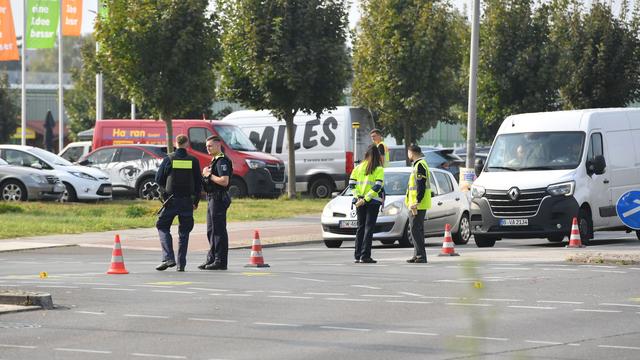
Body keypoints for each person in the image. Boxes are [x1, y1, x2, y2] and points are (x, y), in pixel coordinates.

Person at [155, 134, 201, 272]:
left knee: (162, 225)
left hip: (171, 201)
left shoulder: (168, 159)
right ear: (187, 144)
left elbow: (158, 179)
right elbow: (198, 183)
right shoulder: (193, 160)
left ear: (176, 143)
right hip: (187, 201)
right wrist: (196, 201)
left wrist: (164, 194)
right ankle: (181, 264)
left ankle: (168, 258)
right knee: (184, 232)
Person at [199, 135, 233, 271]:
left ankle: (220, 261)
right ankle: (211, 258)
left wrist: (209, 175)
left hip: (218, 198)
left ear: (218, 145)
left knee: (218, 231)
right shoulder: (214, 161)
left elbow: (224, 181)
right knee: (211, 230)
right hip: (211, 197)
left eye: (210, 146)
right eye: (206, 146)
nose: (207, 148)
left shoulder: (222, 161)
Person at [349, 145, 384, 263]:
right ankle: (365, 256)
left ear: (366, 154)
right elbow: (378, 186)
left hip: (360, 202)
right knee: (369, 228)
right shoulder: (379, 169)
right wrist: (367, 198)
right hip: (373, 202)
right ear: (377, 156)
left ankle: (357, 255)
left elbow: (351, 185)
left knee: (360, 228)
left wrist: (358, 197)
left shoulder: (358, 168)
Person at [405, 144, 431, 263]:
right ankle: (417, 254)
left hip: (418, 204)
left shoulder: (420, 165)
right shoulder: (418, 165)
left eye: (408, 152)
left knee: (415, 229)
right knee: (416, 229)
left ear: (412, 153)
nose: (408, 155)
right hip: (415, 203)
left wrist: (417, 201)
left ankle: (421, 256)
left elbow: (421, 185)